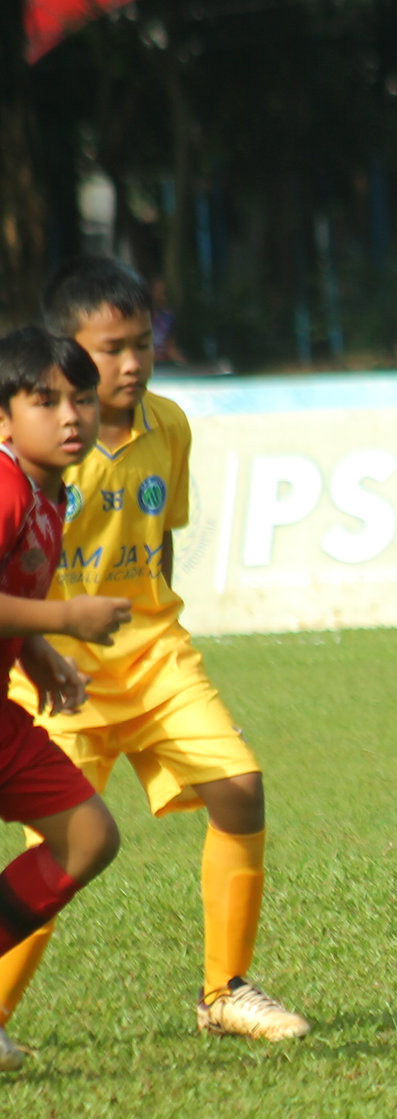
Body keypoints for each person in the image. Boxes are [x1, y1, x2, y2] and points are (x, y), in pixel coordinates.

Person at [1, 261, 312, 1045]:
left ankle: (225, 989)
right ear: (61, 357)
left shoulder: (167, 425)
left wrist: (151, 624)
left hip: (155, 655)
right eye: (109, 350)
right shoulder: (31, 463)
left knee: (240, 786)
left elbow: (158, 546)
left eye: (142, 345)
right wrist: (48, 640)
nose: (131, 364)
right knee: (61, 849)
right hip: (64, 668)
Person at [0, 327, 133, 1070]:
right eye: (43, 399)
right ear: (3, 420)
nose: (70, 414)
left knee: (88, 837)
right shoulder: (5, 486)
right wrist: (63, 619)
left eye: (80, 396)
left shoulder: (52, 494)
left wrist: (41, 652)